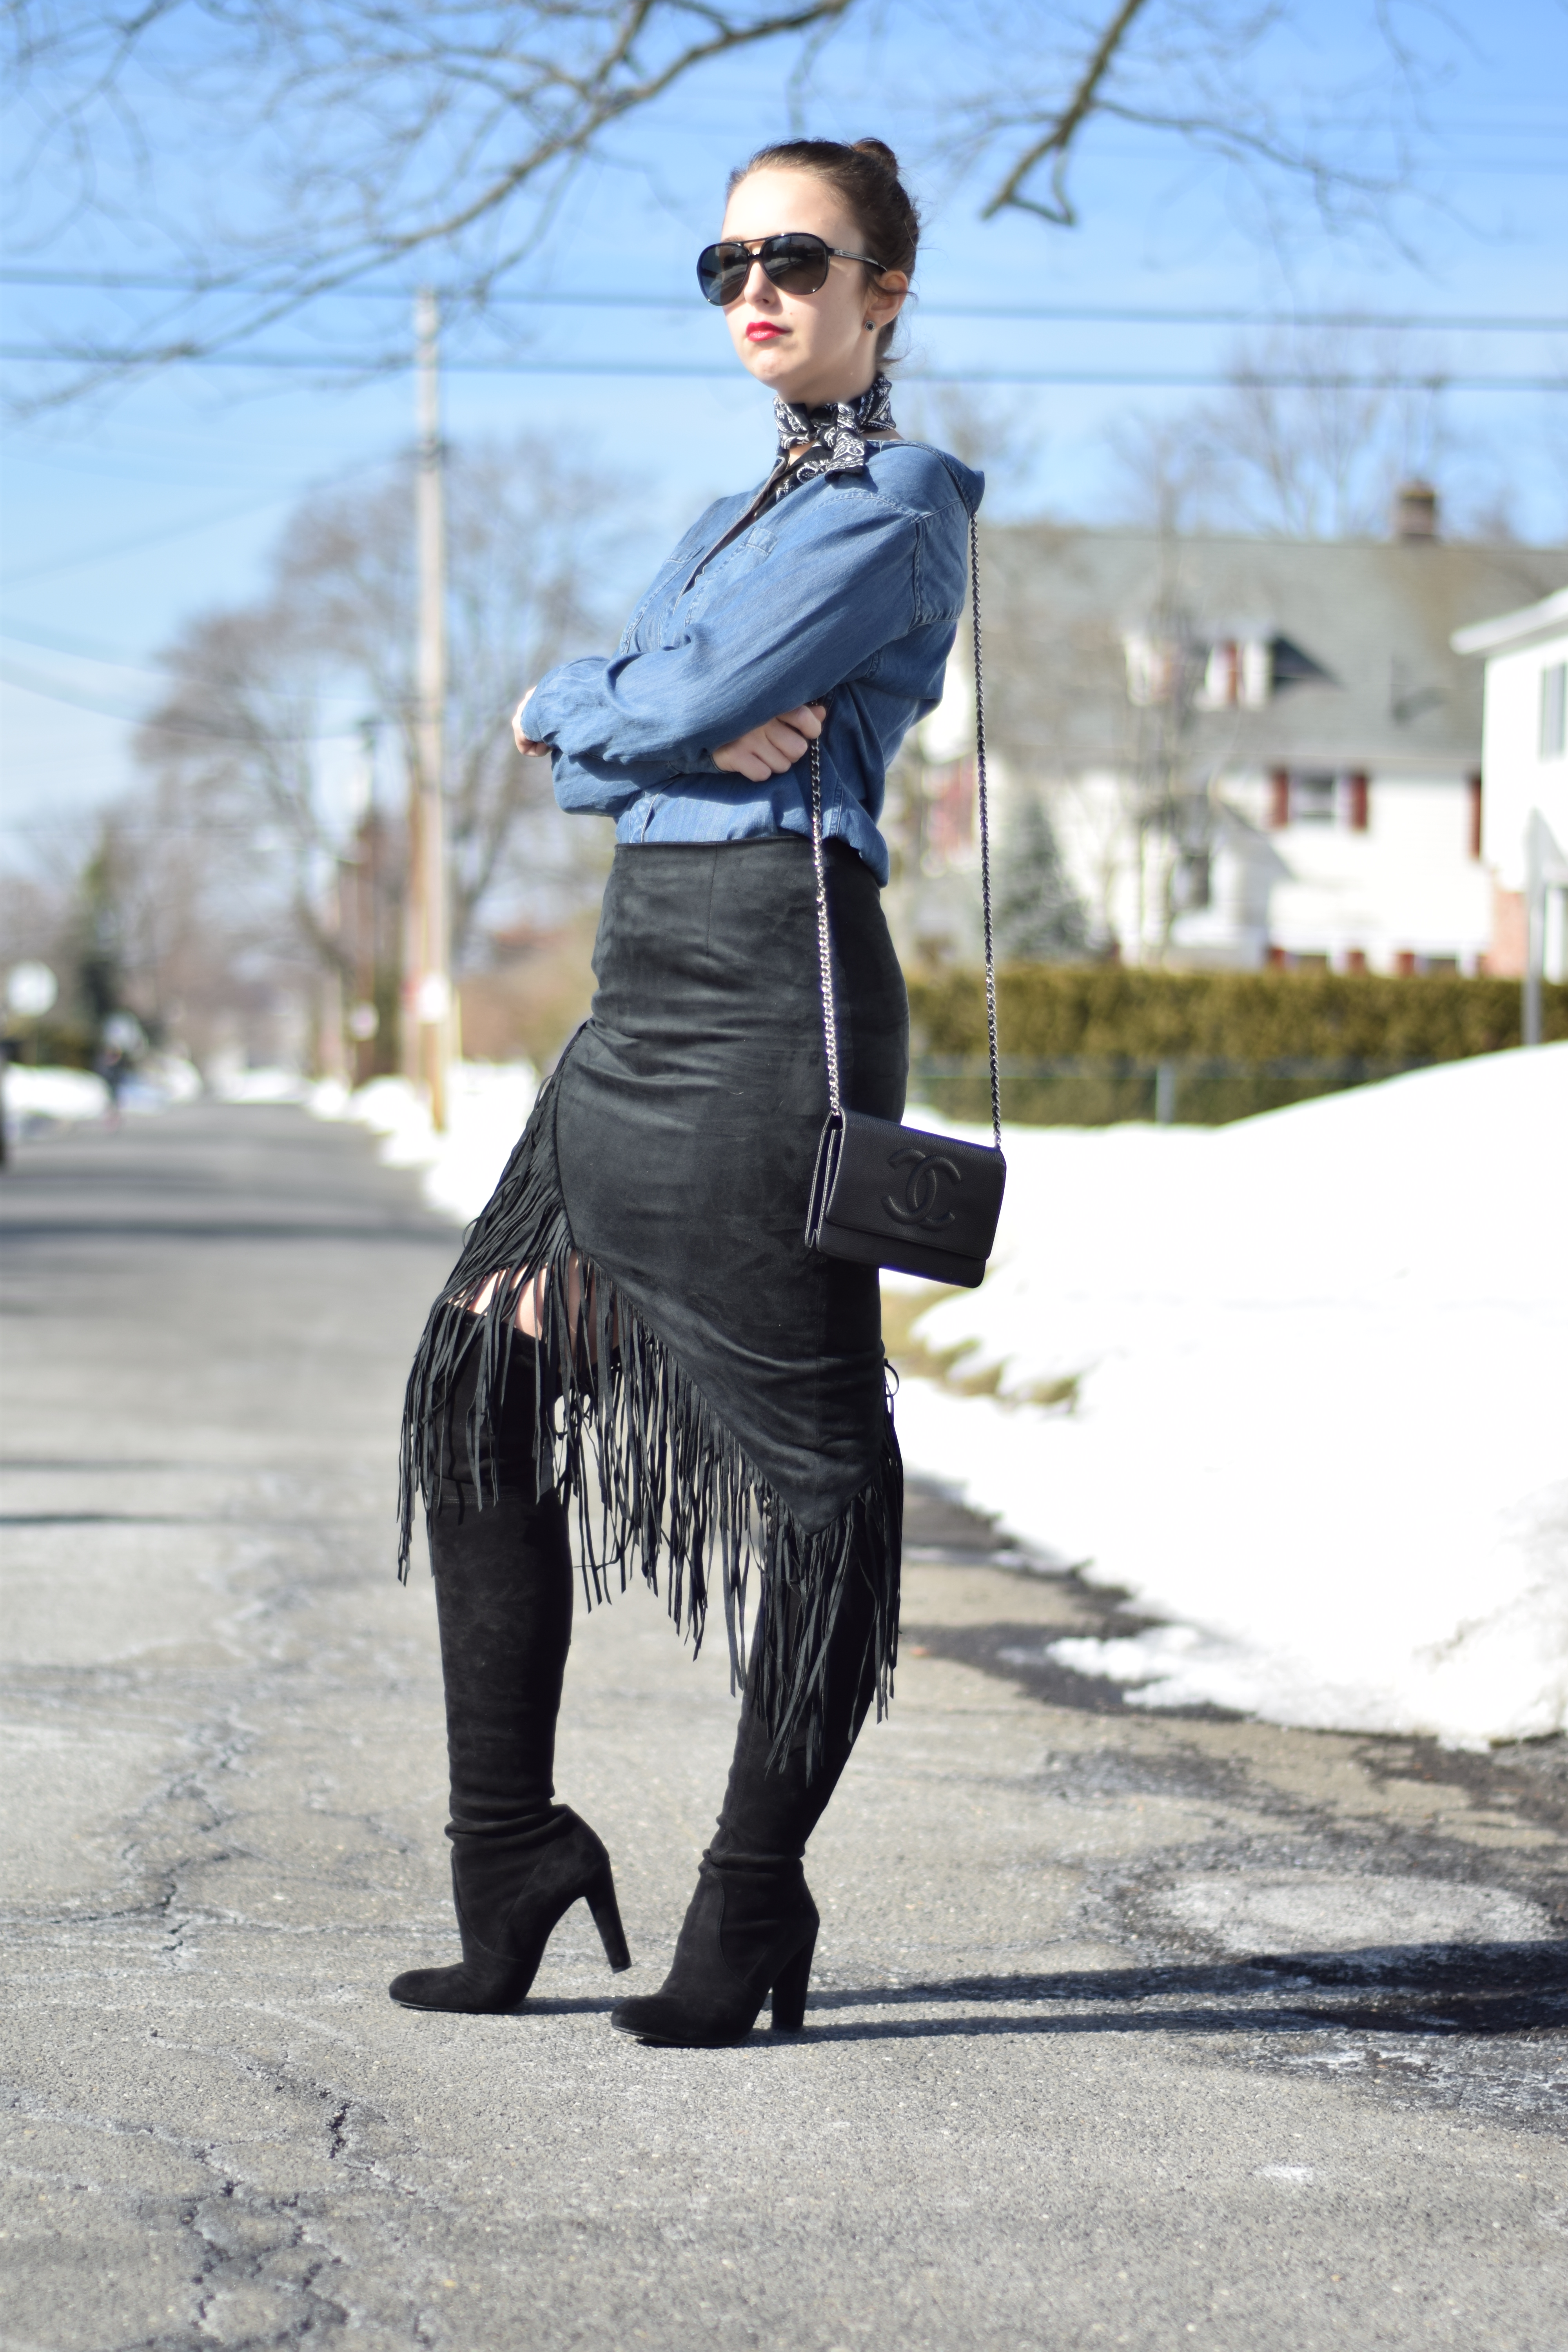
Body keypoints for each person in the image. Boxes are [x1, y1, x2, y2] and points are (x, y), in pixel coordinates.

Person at [390, 136, 982, 2047]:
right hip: (637, 988)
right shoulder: (740, 517)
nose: (758, 286)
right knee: (476, 1376)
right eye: (727, 255)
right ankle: (511, 1854)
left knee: (811, 1473)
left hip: (769, 998)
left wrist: (619, 707)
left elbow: (624, 711)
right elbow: (628, 702)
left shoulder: (892, 510)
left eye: (797, 257)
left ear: (884, 288)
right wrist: (623, 700)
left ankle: (749, 1902)